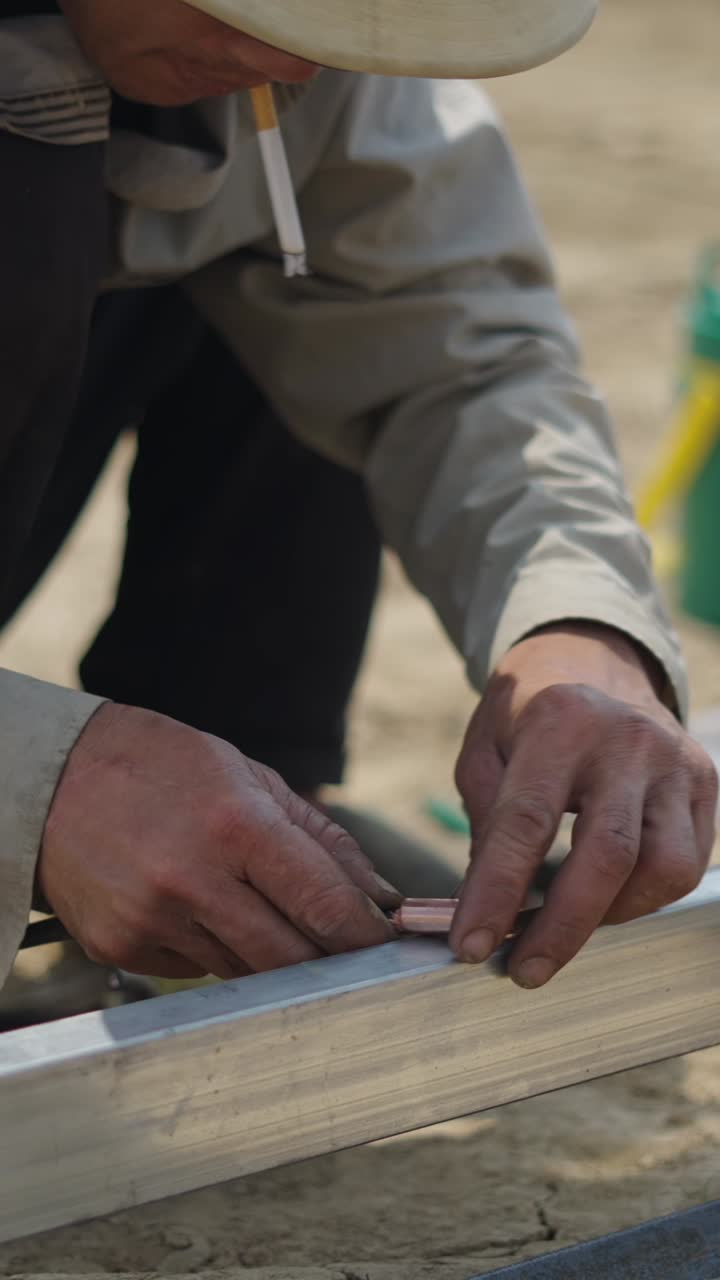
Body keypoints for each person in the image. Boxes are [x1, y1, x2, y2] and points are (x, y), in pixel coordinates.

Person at [0, 0, 716, 1003]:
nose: (291, 59)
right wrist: (36, 781)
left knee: (301, 263)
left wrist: (578, 627)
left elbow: (452, 350)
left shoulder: (305, 42)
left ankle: (246, 816)